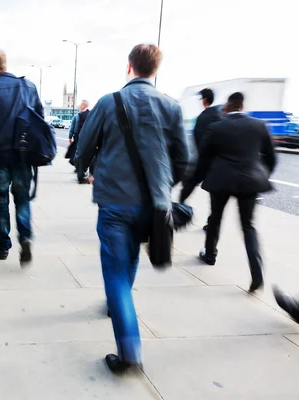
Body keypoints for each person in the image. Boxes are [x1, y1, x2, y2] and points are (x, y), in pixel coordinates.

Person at [75, 44, 189, 372]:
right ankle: (117, 305)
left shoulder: (109, 102)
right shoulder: (171, 106)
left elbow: (85, 145)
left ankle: (129, 350)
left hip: (114, 200)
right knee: (132, 255)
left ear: (129, 67)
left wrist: (84, 171)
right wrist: (164, 186)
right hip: (153, 204)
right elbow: (183, 158)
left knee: (114, 269)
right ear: (156, 70)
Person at [182, 92, 277, 292]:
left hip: (221, 180)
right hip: (249, 182)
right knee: (248, 226)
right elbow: (271, 157)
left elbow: (203, 160)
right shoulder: (258, 126)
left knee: (215, 218)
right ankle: (256, 271)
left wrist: (190, 185)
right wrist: (260, 175)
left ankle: (209, 255)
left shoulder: (217, 127)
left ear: (228, 106)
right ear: (242, 106)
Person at [0, 49, 43, 263]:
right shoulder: (29, 87)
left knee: (1, 200)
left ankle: (3, 245)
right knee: (22, 199)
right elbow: (39, 120)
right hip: (23, 156)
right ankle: (25, 237)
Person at [180, 88, 221, 230]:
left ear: (204, 99)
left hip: (204, 160)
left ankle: (179, 207)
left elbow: (198, 140)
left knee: (189, 184)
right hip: (218, 162)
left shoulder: (203, 117)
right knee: (215, 196)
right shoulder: (220, 115)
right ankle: (211, 223)